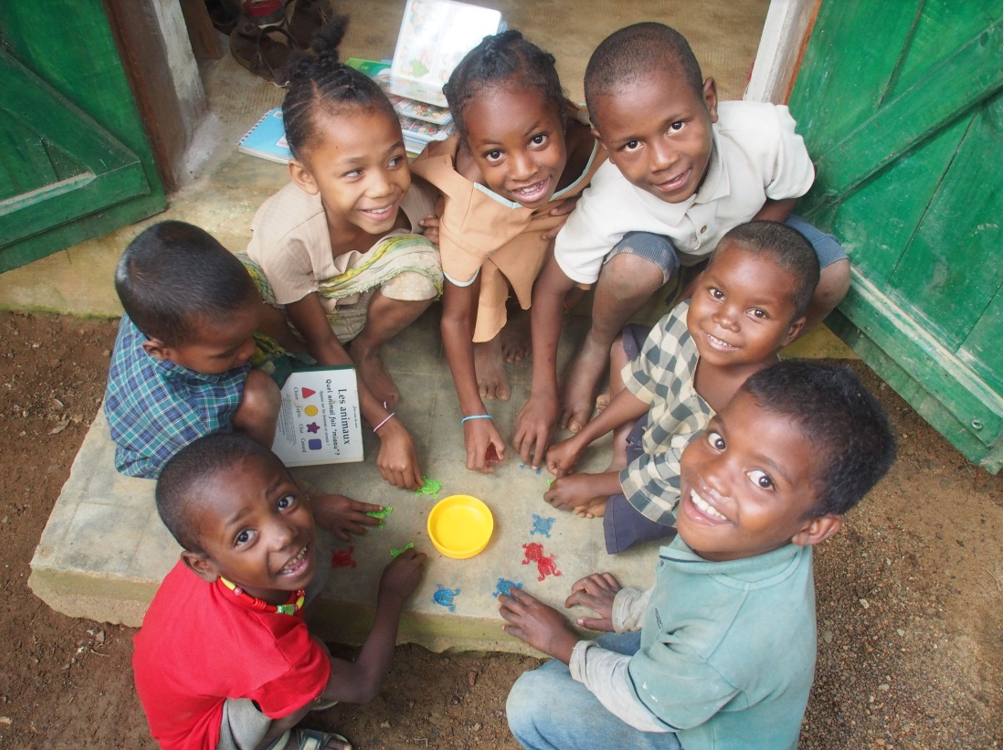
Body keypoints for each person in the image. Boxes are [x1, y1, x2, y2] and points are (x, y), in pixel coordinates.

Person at [500, 360, 896, 750]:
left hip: (688, 734)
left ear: (814, 528)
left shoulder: (726, 639)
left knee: (535, 702)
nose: (713, 477)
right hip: (694, 683)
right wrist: (629, 609)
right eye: (720, 441)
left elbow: (644, 702)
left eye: (763, 480)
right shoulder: (746, 533)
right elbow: (693, 593)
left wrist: (562, 642)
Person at [513, 22, 851, 468]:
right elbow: (552, 290)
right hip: (668, 252)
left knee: (830, 277)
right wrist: (542, 392)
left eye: (676, 125)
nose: (662, 160)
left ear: (709, 102)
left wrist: (729, 264)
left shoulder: (764, 135)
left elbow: (788, 189)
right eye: (631, 143)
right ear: (606, 146)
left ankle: (742, 361)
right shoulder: (609, 200)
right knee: (632, 270)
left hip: (746, 240)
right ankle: (597, 345)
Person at [244, 18, 443, 490]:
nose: (384, 186)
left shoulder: (408, 198)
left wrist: (448, 223)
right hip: (299, 319)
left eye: (395, 159)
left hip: (353, 307)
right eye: (353, 173)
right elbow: (320, 341)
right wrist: (387, 428)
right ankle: (348, 362)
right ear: (305, 177)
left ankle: (368, 350)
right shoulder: (287, 238)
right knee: (273, 341)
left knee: (428, 262)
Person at [133, 433, 427, 750]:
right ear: (203, 564)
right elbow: (364, 685)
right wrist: (392, 595)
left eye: (283, 502)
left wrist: (319, 509)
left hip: (190, 682)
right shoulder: (272, 656)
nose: (283, 536)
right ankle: (275, 743)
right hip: (203, 736)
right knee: (298, 684)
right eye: (244, 536)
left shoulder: (219, 566)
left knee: (313, 566)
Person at [544, 221, 819, 553]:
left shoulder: (756, 414)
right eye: (717, 293)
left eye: (757, 312)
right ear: (700, 283)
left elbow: (677, 469)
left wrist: (591, 484)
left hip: (686, 477)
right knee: (624, 346)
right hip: (663, 422)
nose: (725, 319)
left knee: (637, 516)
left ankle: (621, 476)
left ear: (791, 331)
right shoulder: (687, 321)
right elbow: (645, 384)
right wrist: (582, 438)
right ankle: (622, 458)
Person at [410, 30, 605, 473]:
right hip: (490, 228)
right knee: (475, 255)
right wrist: (473, 414)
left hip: (548, 229)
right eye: (495, 153)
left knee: (599, 236)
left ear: (563, 116)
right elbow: (453, 316)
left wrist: (544, 391)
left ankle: (525, 316)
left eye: (538, 139)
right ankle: (490, 338)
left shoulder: (598, 142)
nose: (523, 169)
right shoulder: (473, 196)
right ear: (474, 149)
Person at [104, 220, 284, 480]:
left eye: (249, 335)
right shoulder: (190, 423)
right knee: (260, 397)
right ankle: (259, 462)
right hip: (184, 454)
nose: (249, 350)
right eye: (227, 352)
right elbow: (220, 478)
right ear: (159, 351)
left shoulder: (159, 308)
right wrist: (310, 496)